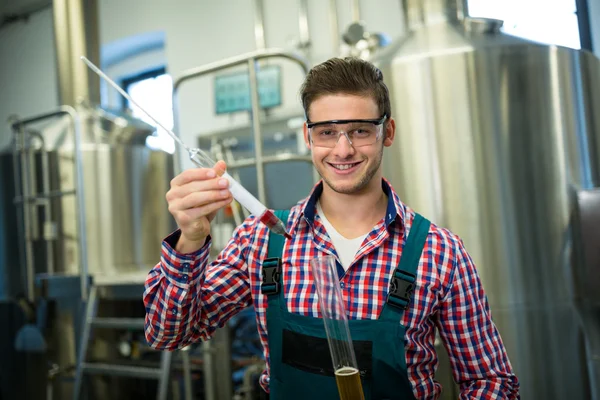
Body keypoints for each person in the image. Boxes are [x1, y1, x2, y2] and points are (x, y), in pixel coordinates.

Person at [143, 57, 520, 399]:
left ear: (387, 132)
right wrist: (191, 241)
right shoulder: (261, 240)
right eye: (326, 132)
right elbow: (167, 334)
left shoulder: (440, 252)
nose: (342, 150)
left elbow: (489, 380)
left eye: (359, 131)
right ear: (308, 137)